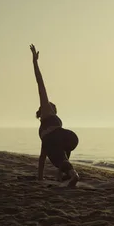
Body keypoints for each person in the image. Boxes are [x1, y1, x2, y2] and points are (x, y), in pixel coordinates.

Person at [30, 44, 80, 187]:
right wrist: (35, 62)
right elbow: (40, 84)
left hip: (59, 138)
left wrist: (40, 178)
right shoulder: (48, 115)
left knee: (59, 158)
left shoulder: (44, 132)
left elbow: (42, 158)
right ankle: (64, 174)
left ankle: (73, 175)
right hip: (71, 138)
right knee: (62, 156)